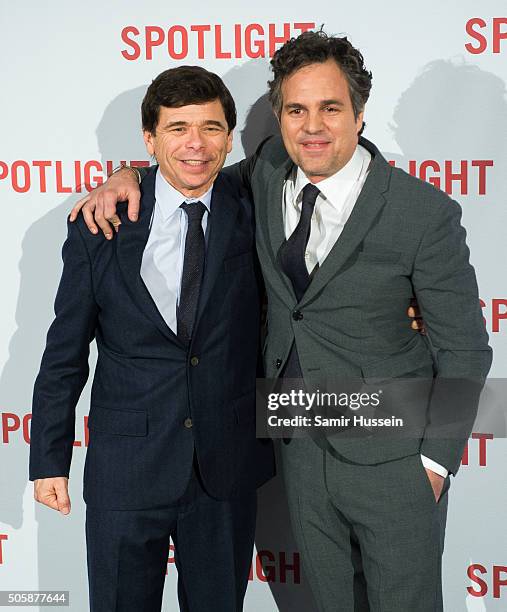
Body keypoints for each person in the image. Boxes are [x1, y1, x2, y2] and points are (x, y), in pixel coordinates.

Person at [70, 31, 492, 612]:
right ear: (279, 116)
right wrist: (126, 175)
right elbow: (188, 169)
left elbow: (467, 351)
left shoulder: (424, 212)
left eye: (330, 108)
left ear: (360, 114)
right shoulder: (264, 176)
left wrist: (436, 461)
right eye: (297, 110)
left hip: (393, 454)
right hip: (295, 451)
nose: (312, 126)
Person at [29, 65, 275, 612]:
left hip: (224, 470)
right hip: (126, 470)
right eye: (177, 128)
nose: (196, 144)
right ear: (149, 138)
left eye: (211, 128)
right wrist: (49, 459)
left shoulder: (253, 207)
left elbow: (332, 148)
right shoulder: (101, 222)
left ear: (230, 138)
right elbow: (64, 353)